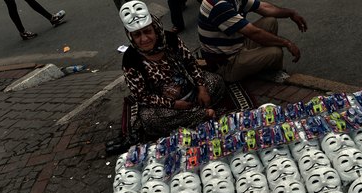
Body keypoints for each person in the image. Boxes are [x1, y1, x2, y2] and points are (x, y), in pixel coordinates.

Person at [119, 0, 225, 140]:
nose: (144, 39)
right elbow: (143, 97)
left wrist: (201, 87)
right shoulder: (130, 60)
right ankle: (204, 113)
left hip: (189, 90)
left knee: (216, 81)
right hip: (165, 105)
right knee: (150, 119)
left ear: (155, 29)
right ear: (130, 37)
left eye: (147, 31)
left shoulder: (170, 39)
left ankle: (195, 114)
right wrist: (174, 104)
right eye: (137, 35)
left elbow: (191, 63)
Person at [198, 0, 307, 82]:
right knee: (275, 52)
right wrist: (287, 43)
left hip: (236, 45)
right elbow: (254, 33)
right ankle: (272, 74)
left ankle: (263, 67)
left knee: (270, 21)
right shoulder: (218, 5)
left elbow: (264, 7)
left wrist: (291, 13)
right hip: (226, 64)